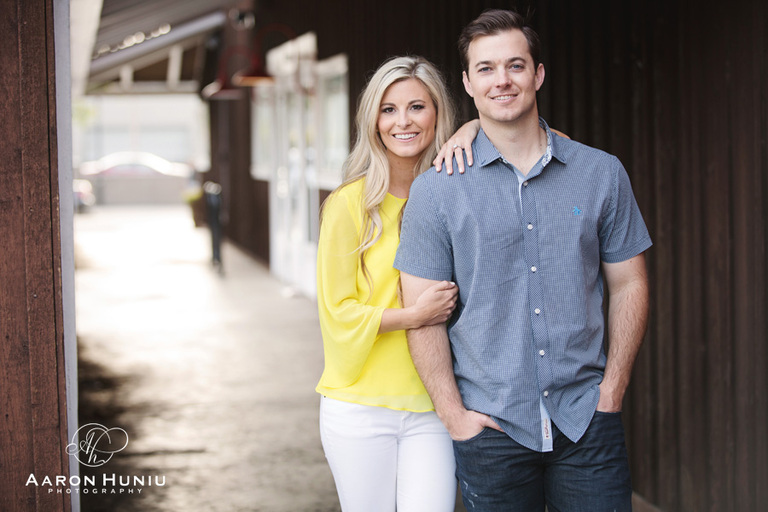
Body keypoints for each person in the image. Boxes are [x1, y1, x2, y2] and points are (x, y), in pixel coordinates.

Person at [394, 9, 652, 512]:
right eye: (486, 69)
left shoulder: (600, 173)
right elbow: (422, 314)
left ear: (538, 74)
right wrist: (454, 418)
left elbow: (630, 283)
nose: (502, 80)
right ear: (468, 83)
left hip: (586, 421)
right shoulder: (436, 191)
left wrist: (613, 388)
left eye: (515, 65)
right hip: (490, 430)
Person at [315, 55, 479, 512]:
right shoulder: (350, 205)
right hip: (360, 408)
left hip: (435, 405)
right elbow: (337, 312)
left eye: (417, 107)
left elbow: (549, 141)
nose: (402, 121)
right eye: (388, 109)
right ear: (373, 121)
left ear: (438, 114)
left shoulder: (457, 191)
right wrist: (414, 316)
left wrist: (473, 129)